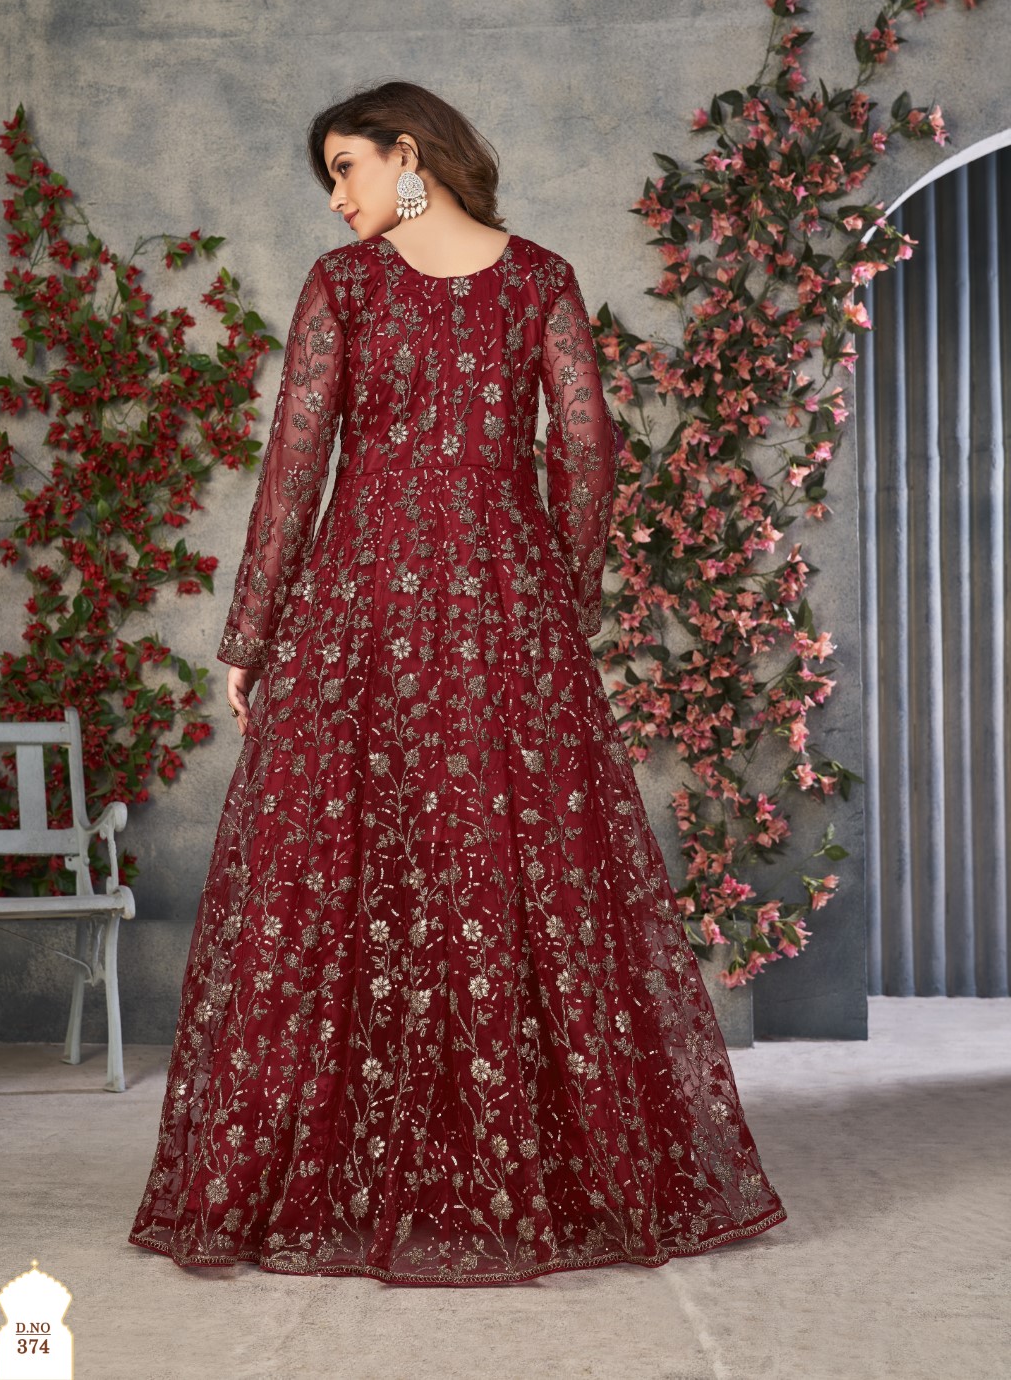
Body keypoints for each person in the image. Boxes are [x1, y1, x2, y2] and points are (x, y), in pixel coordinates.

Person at [127, 80, 787, 1285]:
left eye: (345, 168)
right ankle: (538, 1172)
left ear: (408, 154)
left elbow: (297, 467)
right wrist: (558, 601)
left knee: (341, 868)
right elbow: (585, 452)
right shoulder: (539, 281)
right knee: (504, 868)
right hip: (505, 614)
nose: (337, 198)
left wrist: (251, 636)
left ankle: (338, 1171)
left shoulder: (346, 290)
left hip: (359, 608)